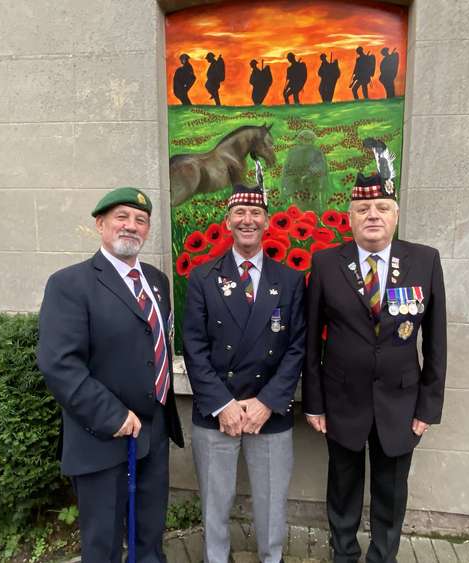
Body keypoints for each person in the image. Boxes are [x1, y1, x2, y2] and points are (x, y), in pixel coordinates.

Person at [303, 172, 447, 563]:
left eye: (382, 207)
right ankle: (344, 554)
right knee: (343, 487)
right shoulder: (326, 263)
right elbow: (311, 338)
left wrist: (427, 408)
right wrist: (314, 403)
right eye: (362, 208)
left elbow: (436, 341)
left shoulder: (424, 260)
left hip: (401, 402)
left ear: (395, 215)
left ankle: (383, 556)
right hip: (342, 399)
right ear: (349, 218)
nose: (372, 215)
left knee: (391, 490)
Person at [38, 187, 184, 563]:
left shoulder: (157, 282)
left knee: (149, 538)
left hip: (153, 434)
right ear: (100, 224)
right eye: (122, 217)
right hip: (102, 438)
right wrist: (114, 416)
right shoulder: (70, 284)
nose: (131, 226)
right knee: (102, 545)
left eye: (140, 220)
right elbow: (60, 364)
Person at [183, 183, 306, 563]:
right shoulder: (203, 278)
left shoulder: (289, 280)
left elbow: (297, 346)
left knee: (272, 506)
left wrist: (266, 402)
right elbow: (194, 348)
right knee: (215, 503)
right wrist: (224, 404)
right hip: (217, 411)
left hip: (267, 411)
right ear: (228, 221)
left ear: (267, 222)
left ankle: (272, 559)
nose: (247, 220)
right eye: (240, 213)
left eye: (255, 213)